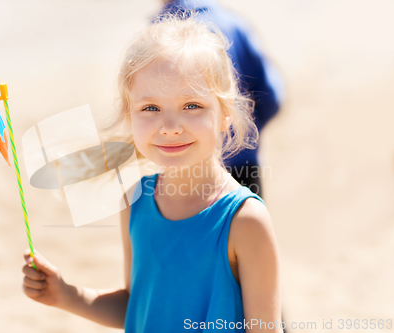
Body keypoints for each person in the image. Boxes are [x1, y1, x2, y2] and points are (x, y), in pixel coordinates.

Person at [22, 15, 283, 332]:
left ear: (225, 113)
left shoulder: (245, 221)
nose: (170, 127)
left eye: (192, 106)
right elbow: (139, 306)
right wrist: (66, 295)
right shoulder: (134, 201)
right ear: (129, 114)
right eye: (150, 108)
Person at [155, 0, 285, 197]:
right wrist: (245, 132)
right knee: (250, 220)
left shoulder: (157, 35)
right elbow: (272, 95)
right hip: (243, 162)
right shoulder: (232, 22)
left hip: (183, 168)